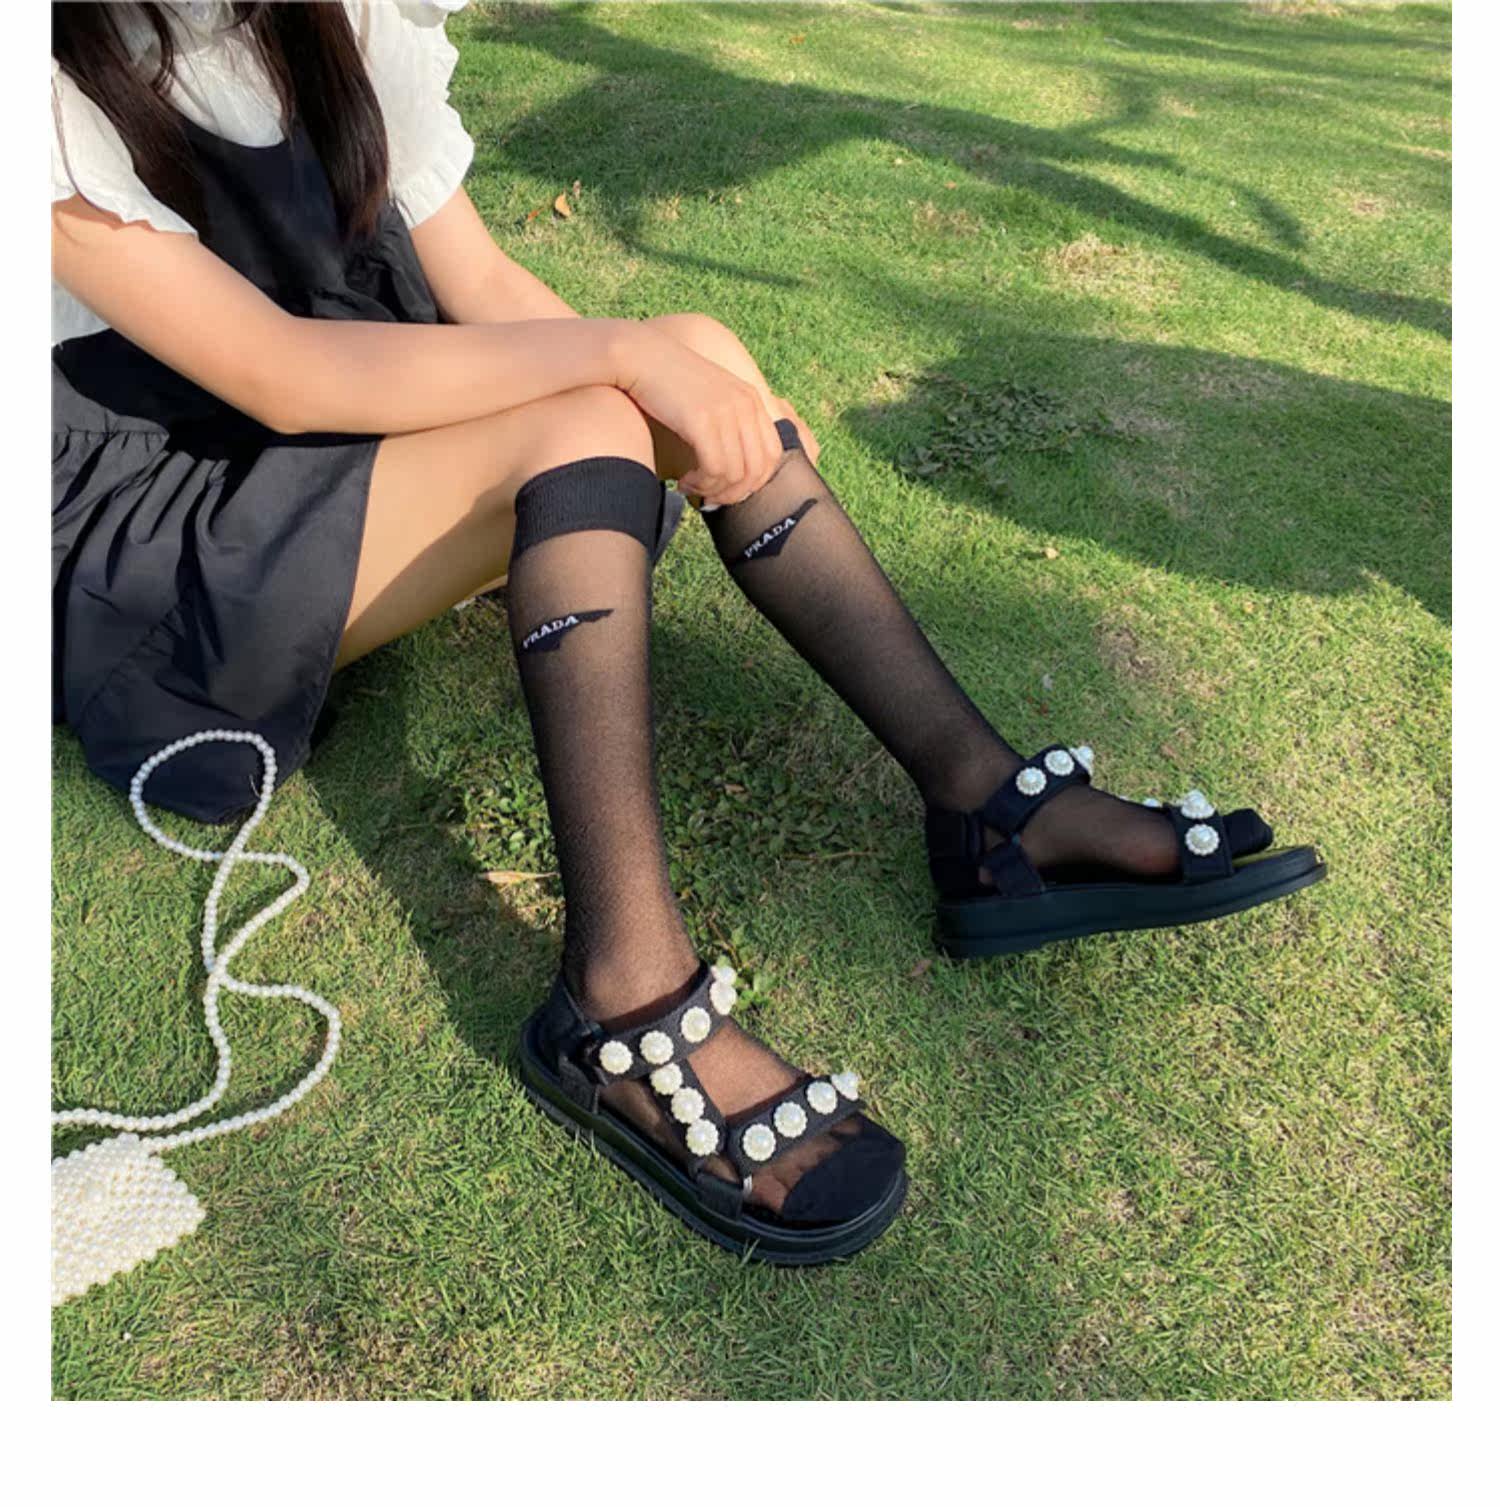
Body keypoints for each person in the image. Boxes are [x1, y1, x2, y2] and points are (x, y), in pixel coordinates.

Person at [51, 1, 1323, 1265]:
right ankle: (621, 993)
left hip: (324, 429)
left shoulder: (333, 15)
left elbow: (480, 284)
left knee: (695, 354)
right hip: (163, 538)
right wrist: (626, 368)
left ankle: (984, 806)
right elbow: (282, 373)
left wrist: (684, 389)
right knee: (595, 416)